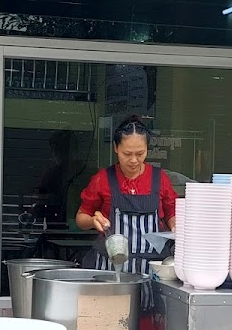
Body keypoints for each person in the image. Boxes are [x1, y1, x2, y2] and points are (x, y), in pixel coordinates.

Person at [76, 115, 177, 272]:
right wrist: (93, 221)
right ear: (116, 148)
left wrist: (175, 225)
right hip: (110, 268)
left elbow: (171, 212)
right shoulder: (103, 179)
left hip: (151, 269)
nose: (134, 160)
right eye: (127, 153)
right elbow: (81, 218)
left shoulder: (159, 178)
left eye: (140, 153)